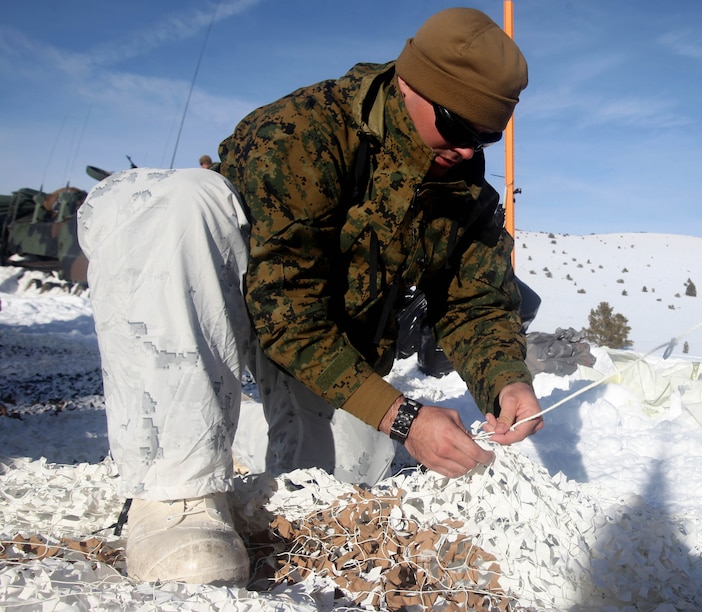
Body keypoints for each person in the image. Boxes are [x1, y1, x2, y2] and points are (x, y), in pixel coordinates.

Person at [77, 7, 542, 587]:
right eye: (457, 126)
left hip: (331, 349)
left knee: (340, 484)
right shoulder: (303, 134)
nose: (470, 151)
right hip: (240, 310)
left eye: (487, 136)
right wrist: (402, 418)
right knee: (180, 201)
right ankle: (175, 491)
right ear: (409, 83)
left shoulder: (462, 188)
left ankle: (237, 428)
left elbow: (476, 302)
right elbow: (284, 310)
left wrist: (506, 378)